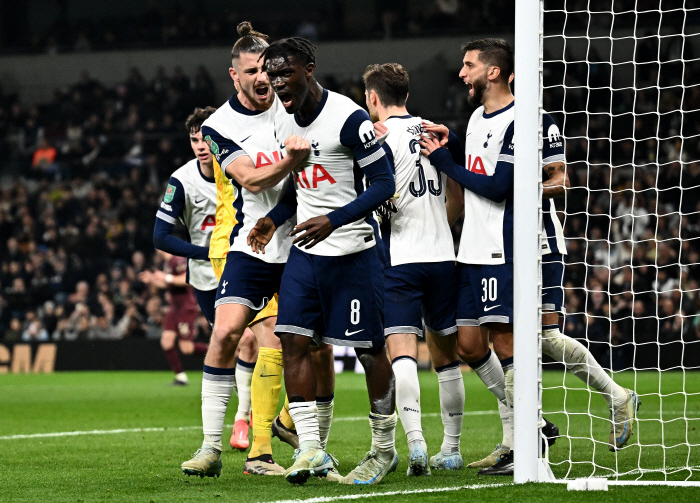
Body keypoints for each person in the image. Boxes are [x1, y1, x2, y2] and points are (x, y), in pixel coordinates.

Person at [420, 37, 640, 475]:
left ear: (494, 71)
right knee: (470, 343)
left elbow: (544, 182)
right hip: (476, 246)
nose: (461, 74)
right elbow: (483, 170)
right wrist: (457, 143)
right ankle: (536, 423)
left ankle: (526, 435)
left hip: (523, 243)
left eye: (468, 65)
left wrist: (446, 160)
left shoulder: (532, 119)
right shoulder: (478, 118)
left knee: (526, 340)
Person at [181, 23, 334, 479]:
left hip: (306, 239)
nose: (263, 79)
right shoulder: (218, 126)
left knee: (310, 346)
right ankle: (211, 448)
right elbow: (248, 177)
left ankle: (305, 448)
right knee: (227, 332)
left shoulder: (295, 104)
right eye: (252, 72)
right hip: (251, 241)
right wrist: (293, 159)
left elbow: (334, 120)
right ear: (235, 75)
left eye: (267, 69)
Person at [249, 36, 397, 486]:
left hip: (354, 252)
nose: (276, 82)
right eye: (270, 75)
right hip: (306, 254)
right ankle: (312, 449)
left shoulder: (349, 118)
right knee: (292, 341)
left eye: (285, 72)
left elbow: (383, 184)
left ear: (309, 68)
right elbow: (299, 185)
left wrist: (333, 219)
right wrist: (274, 220)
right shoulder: (280, 121)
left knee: (370, 352)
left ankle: (384, 450)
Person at [362, 62, 466, 475]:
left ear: (373, 98)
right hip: (444, 255)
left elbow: (373, 199)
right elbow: (456, 198)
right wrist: (438, 224)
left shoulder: (377, 139)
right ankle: (453, 448)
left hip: (402, 259)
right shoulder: (435, 132)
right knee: (446, 357)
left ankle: (417, 446)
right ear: (405, 94)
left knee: (402, 352)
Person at [140, 250, 208, 385]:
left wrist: (165, 277)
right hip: (174, 308)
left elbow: (187, 279)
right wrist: (152, 280)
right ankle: (181, 377)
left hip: (185, 307)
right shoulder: (167, 263)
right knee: (166, 341)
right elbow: (167, 284)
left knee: (186, 348)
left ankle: (222, 352)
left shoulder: (178, 260)